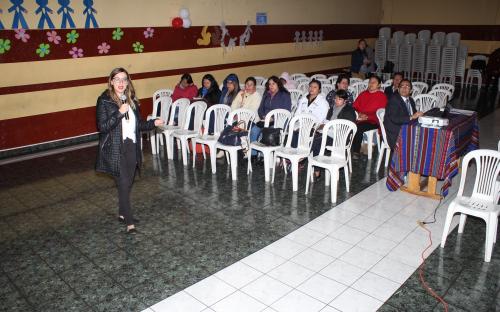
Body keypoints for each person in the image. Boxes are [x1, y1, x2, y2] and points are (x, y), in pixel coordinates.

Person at [96, 67, 164, 234]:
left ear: (128, 82)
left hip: (131, 146)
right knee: (124, 183)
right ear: (111, 81)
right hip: (115, 149)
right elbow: (102, 127)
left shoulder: (131, 99)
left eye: (124, 79)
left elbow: (138, 125)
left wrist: (152, 123)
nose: (121, 83)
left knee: (127, 182)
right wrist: (119, 113)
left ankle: (122, 212)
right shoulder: (104, 101)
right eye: (117, 79)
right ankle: (129, 221)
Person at [310, 89, 356, 177]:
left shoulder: (349, 110)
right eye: (336, 99)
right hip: (329, 132)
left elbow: (348, 128)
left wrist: (331, 128)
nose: (337, 101)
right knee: (313, 138)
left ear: (345, 100)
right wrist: (321, 127)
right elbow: (327, 120)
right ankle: (316, 165)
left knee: (316, 142)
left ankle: (316, 168)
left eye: (340, 99)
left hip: (340, 137)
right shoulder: (332, 108)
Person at [250, 76, 292, 156]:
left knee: (267, 132)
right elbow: (260, 109)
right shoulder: (267, 94)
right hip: (265, 120)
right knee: (254, 130)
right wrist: (263, 116)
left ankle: (263, 156)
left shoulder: (284, 95)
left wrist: (272, 119)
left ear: (278, 84)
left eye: (273, 84)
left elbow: (286, 112)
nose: (271, 86)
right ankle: (253, 155)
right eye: (269, 84)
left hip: (278, 122)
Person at [352, 75, 387, 158]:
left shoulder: (382, 96)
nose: (371, 84)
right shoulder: (363, 94)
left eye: (374, 82)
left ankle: (356, 151)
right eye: (370, 82)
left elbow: (381, 112)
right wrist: (359, 114)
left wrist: (367, 116)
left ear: (379, 85)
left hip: (373, 120)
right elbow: (354, 107)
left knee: (358, 127)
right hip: (360, 118)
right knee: (349, 124)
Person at [384, 79, 424, 149]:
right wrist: (411, 117)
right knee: (420, 142)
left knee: (425, 136)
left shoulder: (411, 100)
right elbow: (394, 118)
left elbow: (413, 114)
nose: (404, 88)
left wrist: (420, 116)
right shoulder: (394, 99)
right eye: (402, 86)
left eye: (407, 86)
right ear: (398, 89)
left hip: (407, 128)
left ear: (411, 91)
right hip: (396, 131)